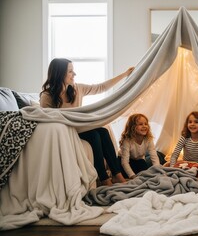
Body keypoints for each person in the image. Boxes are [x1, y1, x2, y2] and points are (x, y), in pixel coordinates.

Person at [40, 57, 135, 186]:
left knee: (103, 131)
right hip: (66, 131)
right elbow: (46, 121)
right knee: (94, 135)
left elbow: (101, 87)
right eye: (70, 71)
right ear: (59, 73)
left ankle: (117, 174)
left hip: (80, 127)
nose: (74, 74)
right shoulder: (47, 96)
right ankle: (103, 178)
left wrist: (124, 75)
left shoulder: (77, 89)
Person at [119, 113, 160, 179]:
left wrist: (158, 171)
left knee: (144, 169)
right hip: (124, 161)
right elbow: (124, 162)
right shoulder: (127, 141)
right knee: (125, 172)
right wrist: (132, 176)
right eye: (140, 124)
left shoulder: (148, 139)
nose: (144, 126)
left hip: (139, 160)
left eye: (146, 124)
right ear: (132, 127)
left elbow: (154, 156)